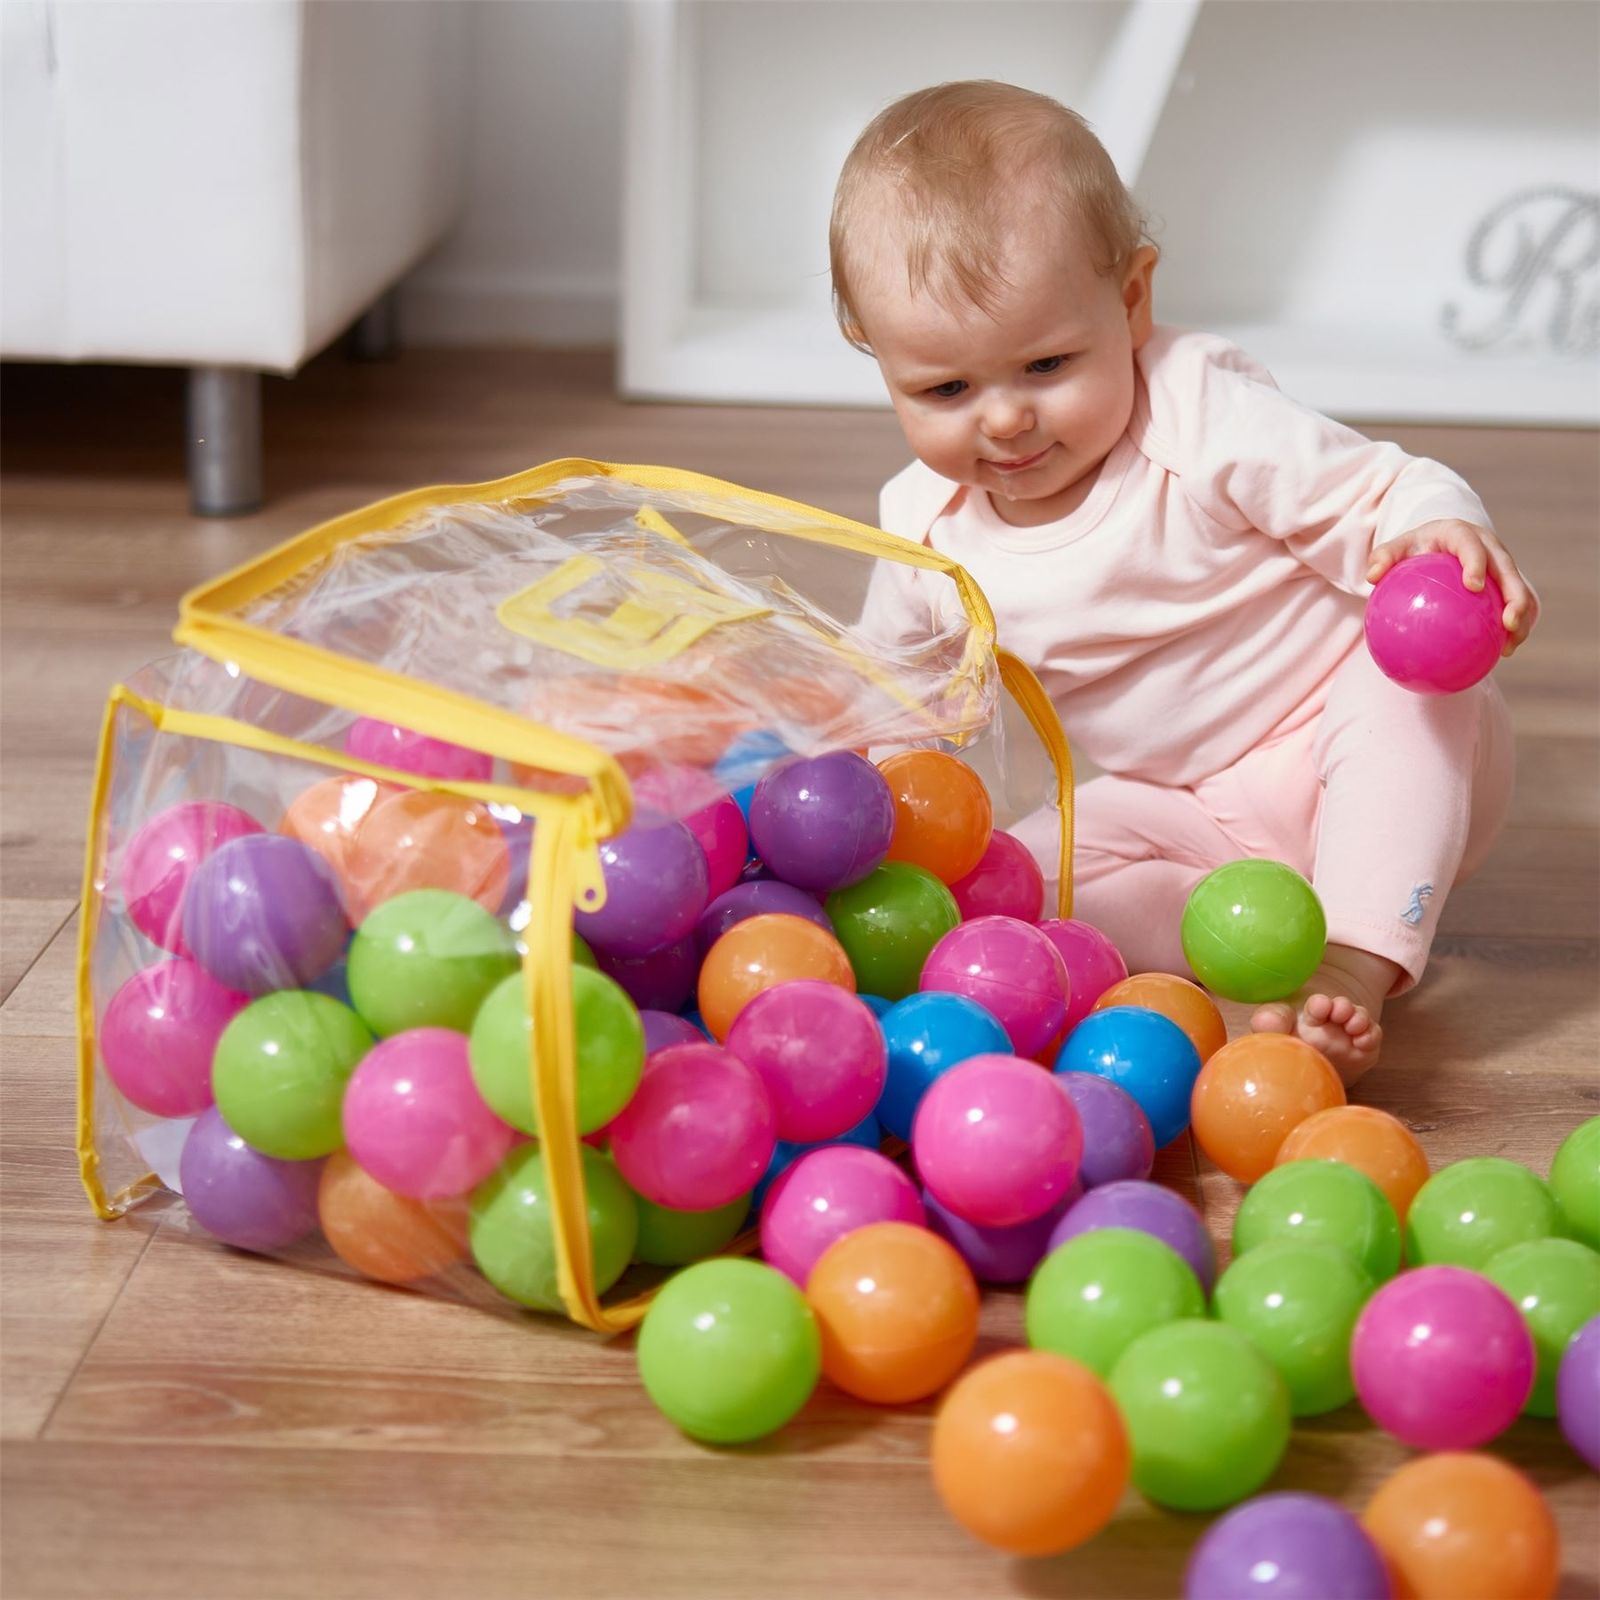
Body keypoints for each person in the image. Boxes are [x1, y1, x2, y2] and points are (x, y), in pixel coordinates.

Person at [834, 81, 1537, 1082]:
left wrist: (1437, 528)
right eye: (945, 388)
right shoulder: (924, 532)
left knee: (1405, 692)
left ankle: (1353, 954)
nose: (1004, 419)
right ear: (879, 363)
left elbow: (1381, 489)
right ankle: (1234, 937)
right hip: (1185, 807)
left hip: (1343, 731)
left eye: (1046, 365)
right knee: (1014, 883)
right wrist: (836, 795)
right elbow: (891, 701)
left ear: (1132, 301)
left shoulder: (1199, 415)